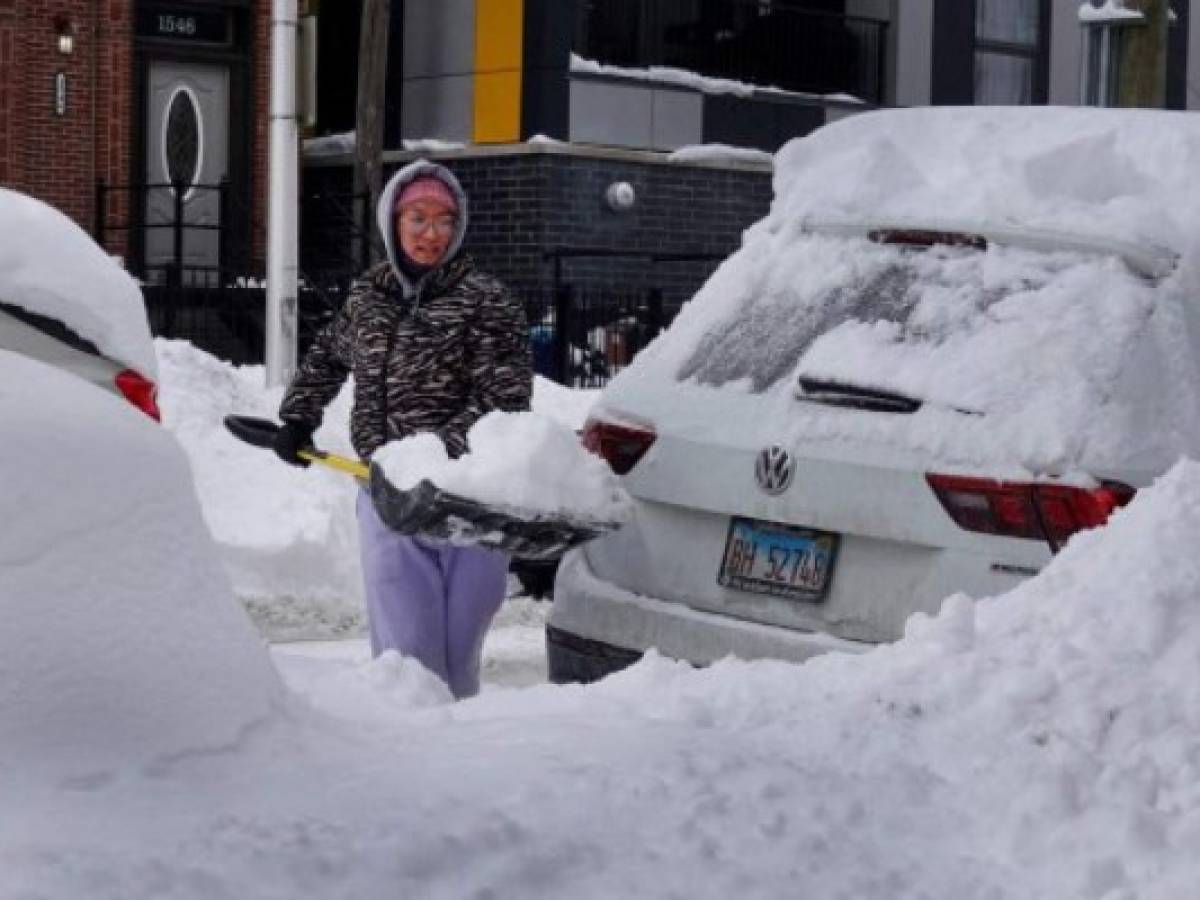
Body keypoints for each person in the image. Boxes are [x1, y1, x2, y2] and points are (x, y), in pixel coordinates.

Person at [273, 160, 532, 699]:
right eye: (417, 218)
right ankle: (407, 758)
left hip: (468, 503)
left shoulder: (488, 301)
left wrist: (430, 454)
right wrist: (299, 414)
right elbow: (327, 355)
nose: (431, 233)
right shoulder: (369, 295)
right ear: (394, 220)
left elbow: (505, 400)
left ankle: (455, 763)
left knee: (456, 667)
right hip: (387, 494)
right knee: (406, 660)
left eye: (444, 220)